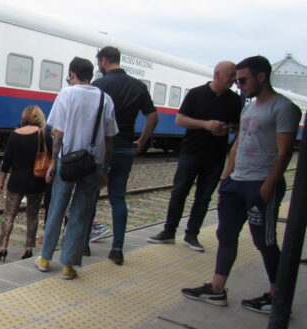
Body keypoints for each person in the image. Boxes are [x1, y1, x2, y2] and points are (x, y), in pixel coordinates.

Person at [181, 56, 301, 314]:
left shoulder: (284, 108)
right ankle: (216, 289)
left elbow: (284, 152)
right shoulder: (248, 106)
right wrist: (228, 174)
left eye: (243, 80)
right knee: (226, 236)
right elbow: (238, 142)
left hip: (260, 184)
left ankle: (277, 298)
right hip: (236, 183)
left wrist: (268, 186)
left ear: (261, 77)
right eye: (236, 81)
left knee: (265, 241)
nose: (239, 86)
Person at [36, 57, 117, 279]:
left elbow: (58, 133)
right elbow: (109, 140)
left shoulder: (67, 93)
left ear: (72, 74)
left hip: (67, 161)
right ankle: (68, 265)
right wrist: (105, 170)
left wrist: (53, 162)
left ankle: (45, 258)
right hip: (93, 163)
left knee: (57, 208)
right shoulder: (105, 99)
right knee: (81, 214)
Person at [148, 61, 242, 251]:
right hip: (191, 152)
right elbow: (180, 119)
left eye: (235, 76)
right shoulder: (196, 93)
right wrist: (205, 124)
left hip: (215, 157)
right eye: (231, 75)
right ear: (217, 74)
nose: (234, 80)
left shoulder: (233, 100)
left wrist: (227, 129)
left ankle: (192, 235)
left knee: (204, 197)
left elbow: (237, 126)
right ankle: (169, 231)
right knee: (179, 193)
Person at [93, 46, 158, 265]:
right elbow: (153, 117)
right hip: (124, 150)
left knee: (90, 196)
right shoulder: (138, 86)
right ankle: (117, 249)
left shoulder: (99, 85)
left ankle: (83, 244)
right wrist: (142, 141)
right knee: (118, 198)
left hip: (101, 151)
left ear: (103, 61)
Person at [0, 105, 52, 262]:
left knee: (9, 215)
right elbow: (52, 158)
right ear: (39, 117)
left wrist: (0, 182)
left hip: (16, 181)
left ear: (24, 117)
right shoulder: (44, 135)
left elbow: (6, 163)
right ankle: (28, 249)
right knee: (32, 215)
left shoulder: (14, 135)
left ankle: (2, 248)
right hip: (37, 181)